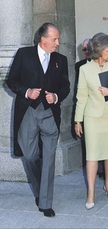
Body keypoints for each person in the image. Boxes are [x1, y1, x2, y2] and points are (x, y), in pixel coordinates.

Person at [6, 23, 70, 217]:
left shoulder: (61, 60)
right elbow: (10, 81)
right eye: (54, 39)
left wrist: (56, 97)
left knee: (49, 158)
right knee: (30, 155)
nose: (58, 43)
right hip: (28, 113)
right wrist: (26, 91)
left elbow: (65, 86)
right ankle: (40, 185)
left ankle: (45, 202)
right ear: (43, 39)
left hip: (50, 114)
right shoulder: (24, 54)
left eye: (58, 39)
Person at [74, 32, 108, 210]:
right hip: (92, 118)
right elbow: (81, 96)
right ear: (98, 50)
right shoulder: (85, 69)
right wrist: (78, 120)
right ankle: (91, 193)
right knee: (92, 156)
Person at [75, 38, 105, 178]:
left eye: (88, 49)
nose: (86, 52)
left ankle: (104, 168)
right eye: (84, 50)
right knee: (90, 142)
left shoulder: (106, 65)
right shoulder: (79, 66)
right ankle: (94, 167)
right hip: (88, 109)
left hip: (104, 109)